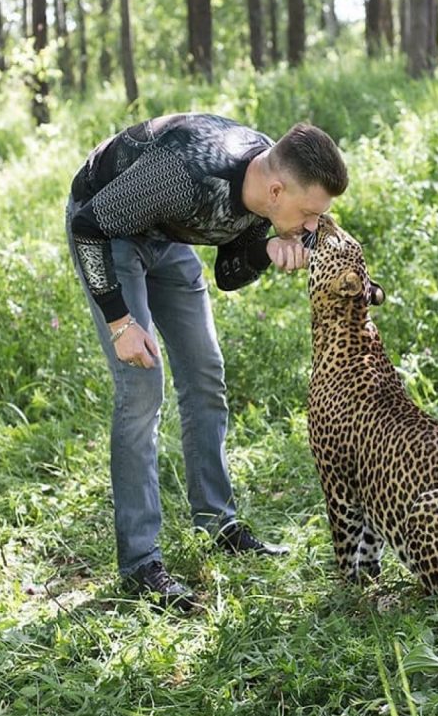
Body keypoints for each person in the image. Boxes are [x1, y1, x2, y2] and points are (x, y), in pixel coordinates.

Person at [64, 113, 348, 609]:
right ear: (278, 192)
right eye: (308, 216)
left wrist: (266, 251)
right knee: (140, 391)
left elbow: (229, 272)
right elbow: (88, 227)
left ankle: (218, 523)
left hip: (165, 236)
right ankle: (140, 565)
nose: (312, 230)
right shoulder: (186, 172)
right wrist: (120, 324)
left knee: (204, 374)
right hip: (108, 231)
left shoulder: (266, 184)